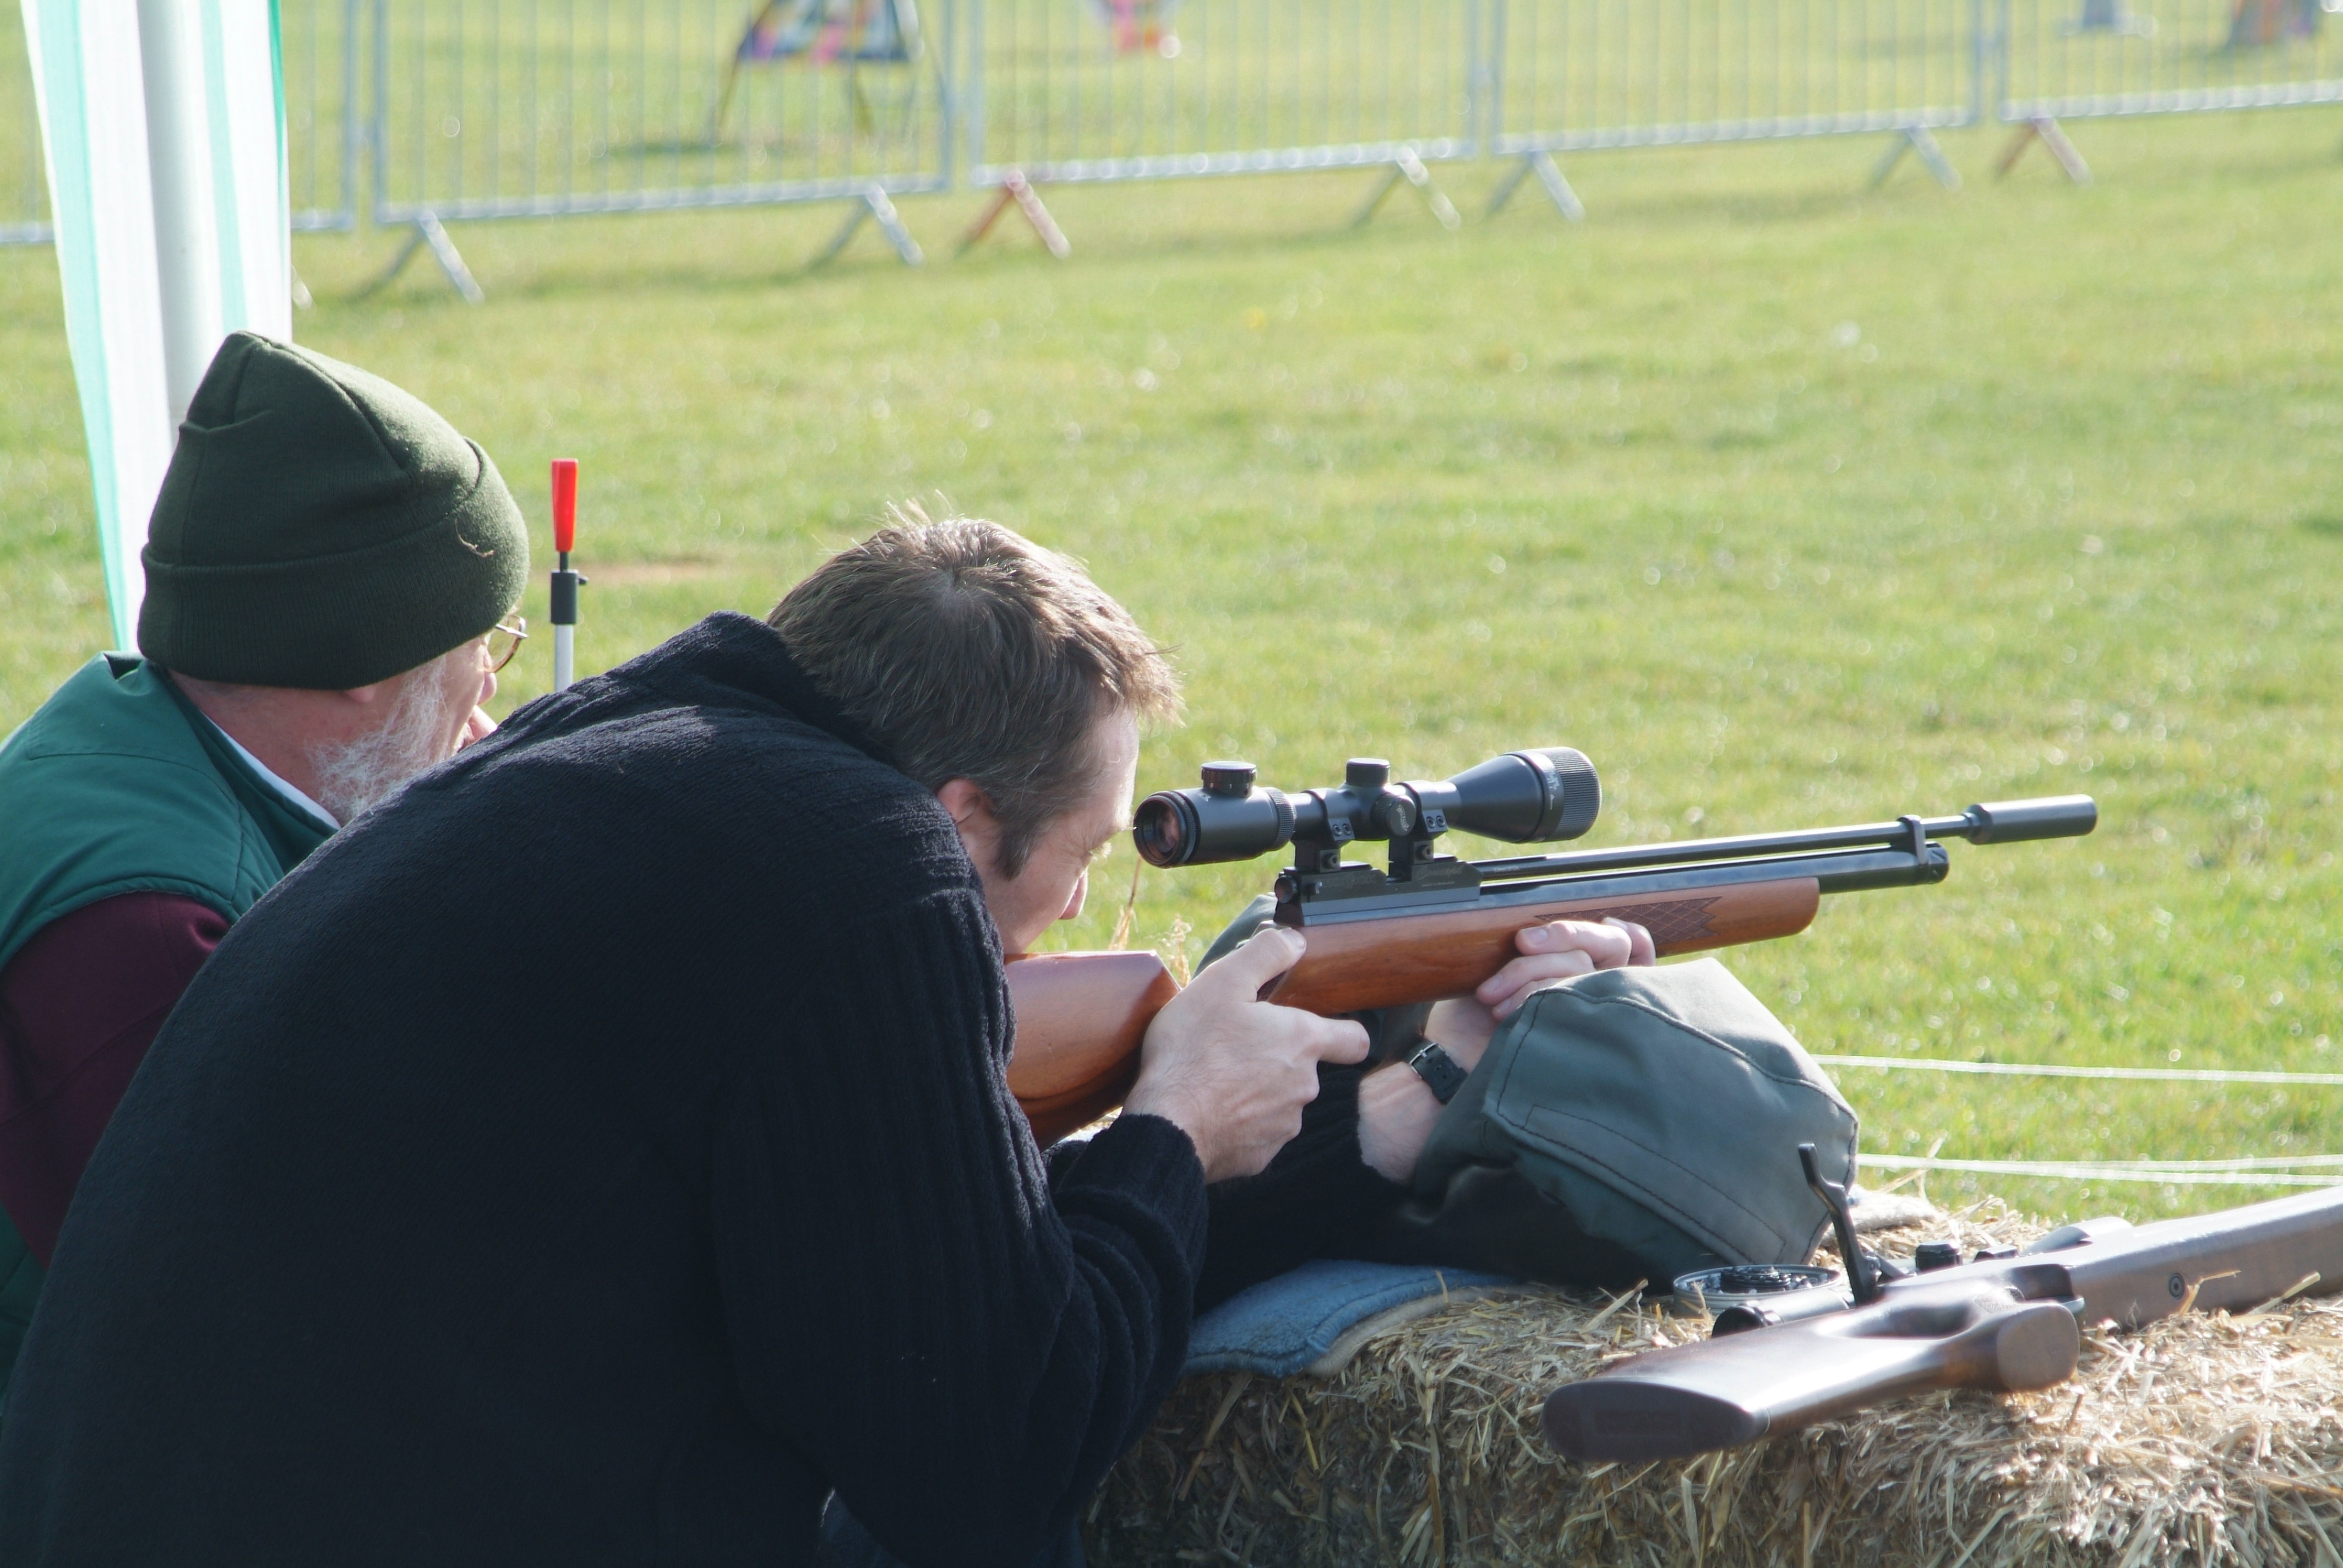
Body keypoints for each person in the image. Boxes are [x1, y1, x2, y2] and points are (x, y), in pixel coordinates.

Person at [0, 514, 1641, 1566]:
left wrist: (1404, 1113)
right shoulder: (857, 869)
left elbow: (929, 1304)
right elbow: (986, 1469)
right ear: (955, 814)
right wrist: (1164, 1130)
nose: (1055, 929)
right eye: (1066, 871)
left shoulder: (631, 753)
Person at [0, 329, 528, 1400]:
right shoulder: (154, 929)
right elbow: (241, 1328)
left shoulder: (134, 724)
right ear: (361, 669)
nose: (487, 718)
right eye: (479, 664)